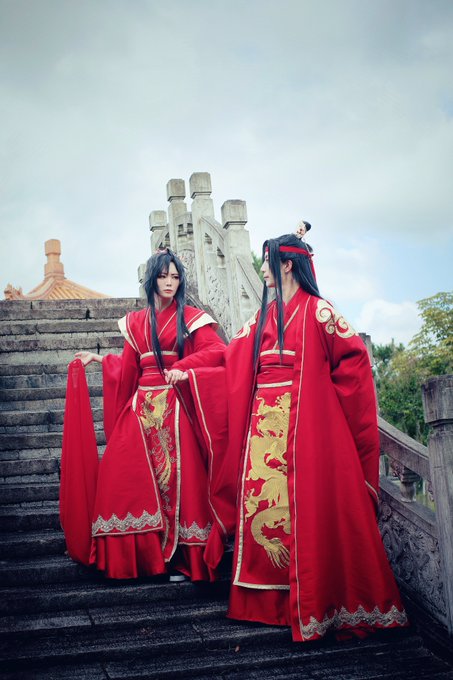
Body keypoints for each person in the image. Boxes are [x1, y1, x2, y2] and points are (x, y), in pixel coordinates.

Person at [223, 223, 408, 642]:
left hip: (306, 423)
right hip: (264, 425)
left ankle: (316, 601)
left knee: (308, 506)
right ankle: (268, 604)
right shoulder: (262, 317)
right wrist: (189, 372)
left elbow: (355, 361)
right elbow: (229, 359)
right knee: (262, 503)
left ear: (287, 265)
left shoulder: (320, 311)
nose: (263, 270)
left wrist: (326, 405)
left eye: (268, 262)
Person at [60, 248, 226, 581]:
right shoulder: (135, 322)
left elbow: (218, 351)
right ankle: (144, 558)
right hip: (140, 409)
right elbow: (129, 369)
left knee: (178, 480)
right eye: (163, 276)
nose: (170, 283)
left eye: (175, 277)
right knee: (125, 476)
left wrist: (183, 367)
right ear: (152, 279)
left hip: (174, 407)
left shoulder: (191, 318)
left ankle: (181, 557)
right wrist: (100, 359)